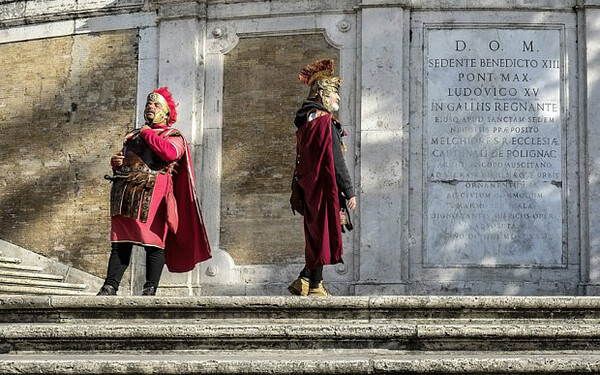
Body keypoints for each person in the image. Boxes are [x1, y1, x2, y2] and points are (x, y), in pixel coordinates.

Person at [97, 87, 211, 296]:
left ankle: (150, 289)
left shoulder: (173, 135)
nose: (150, 106)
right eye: (149, 103)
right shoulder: (133, 136)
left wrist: (148, 133)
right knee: (120, 241)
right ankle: (110, 286)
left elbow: (170, 153)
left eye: (156, 104)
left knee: (154, 242)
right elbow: (127, 160)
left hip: (154, 193)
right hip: (125, 191)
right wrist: (117, 162)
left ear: (166, 112)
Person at [288, 59, 356, 297]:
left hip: (308, 185)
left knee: (319, 231)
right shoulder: (324, 121)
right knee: (324, 232)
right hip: (324, 185)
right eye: (335, 92)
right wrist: (349, 189)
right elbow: (336, 159)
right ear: (322, 92)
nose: (338, 98)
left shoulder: (308, 119)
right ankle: (310, 281)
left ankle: (311, 282)